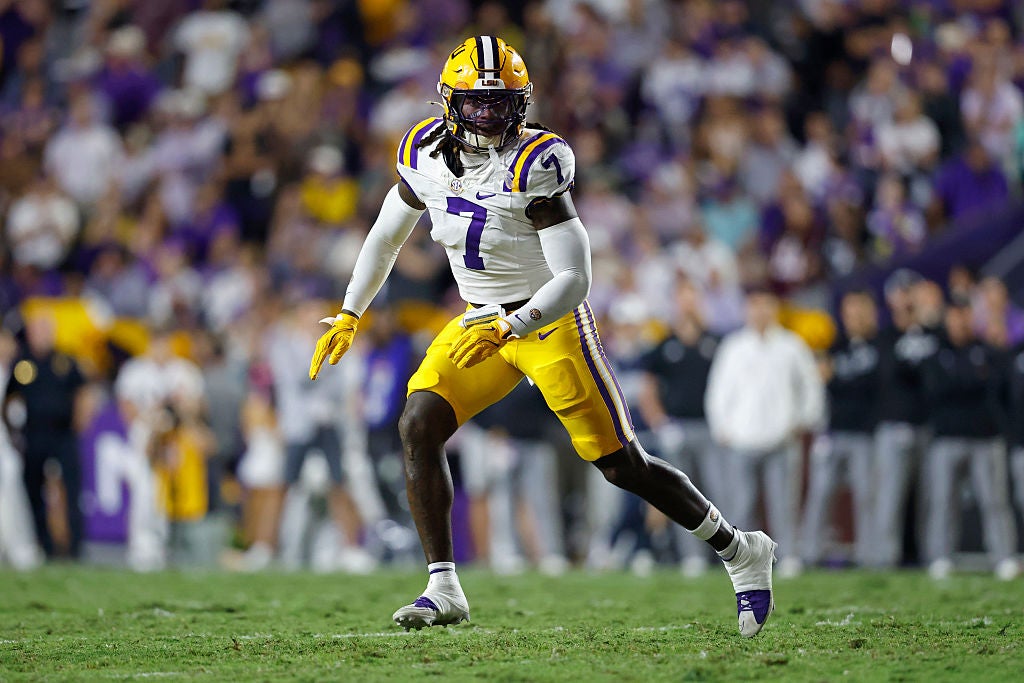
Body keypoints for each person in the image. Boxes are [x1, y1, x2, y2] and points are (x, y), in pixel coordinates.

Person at [309, 36, 778, 638]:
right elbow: (385, 237)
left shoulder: (537, 161)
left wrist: (514, 323)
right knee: (418, 422)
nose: (489, 115)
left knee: (620, 464)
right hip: (481, 317)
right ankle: (443, 586)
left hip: (545, 318)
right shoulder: (423, 149)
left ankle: (739, 548)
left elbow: (575, 279)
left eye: (501, 103)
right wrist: (351, 312)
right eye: (476, 103)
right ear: (449, 103)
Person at [704, 286, 825, 578]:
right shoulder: (733, 346)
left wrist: (803, 421)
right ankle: (744, 561)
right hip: (741, 439)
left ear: (775, 308)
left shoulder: (791, 345)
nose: (760, 311)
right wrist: (721, 426)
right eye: (755, 305)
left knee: (784, 503)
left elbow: (811, 387)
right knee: (741, 505)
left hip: (782, 438)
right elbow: (718, 391)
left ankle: (789, 556)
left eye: (766, 305)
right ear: (747, 309)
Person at [921, 297, 1019, 581]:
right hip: (946, 438)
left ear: (972, 319)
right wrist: (971, 382)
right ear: (947, 319)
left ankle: (1003, 557)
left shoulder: (987, 351)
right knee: (942, 502)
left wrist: (962, 384)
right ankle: (940, 556)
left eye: (964, 316)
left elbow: (995, 388)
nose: (960, 322)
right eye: (954, 316)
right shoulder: (937, 352)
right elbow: (935, 391)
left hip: (985, 437)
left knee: (994, 502)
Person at [636, 278, 723, 576]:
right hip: (678, 427)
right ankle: (691, 556)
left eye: (691, 297)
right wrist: (661, 424)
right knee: (681, 497)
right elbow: (647, 389)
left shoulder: (716, 341)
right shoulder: (663, 344)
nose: (686, 304)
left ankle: (725, 552)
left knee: (718, 491)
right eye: (681, 298)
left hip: (712, 428)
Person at [800, 290, 880, 567]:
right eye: (849, 312)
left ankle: (870, 555)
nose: (854, 318)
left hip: (865, 434)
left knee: (866, 497)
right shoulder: (836, 346)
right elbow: (822, 387)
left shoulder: (880, 345)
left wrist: (836, 380)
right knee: (820, 494)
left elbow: (873, 387)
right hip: (834, 432)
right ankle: (809, 554)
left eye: (860, 311)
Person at [2, 314, 88, 559]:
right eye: (37, 331)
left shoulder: (64, 360)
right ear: (30, 335)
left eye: (45, 331)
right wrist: (12, 432)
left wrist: (80, 421)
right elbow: (9, 399)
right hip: (35, 434)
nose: (41, 336)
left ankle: (75, 548)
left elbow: (82, 390)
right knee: (33, 489)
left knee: (72, 489)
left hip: (63, 433)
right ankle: (46, 545)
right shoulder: (23, 363)